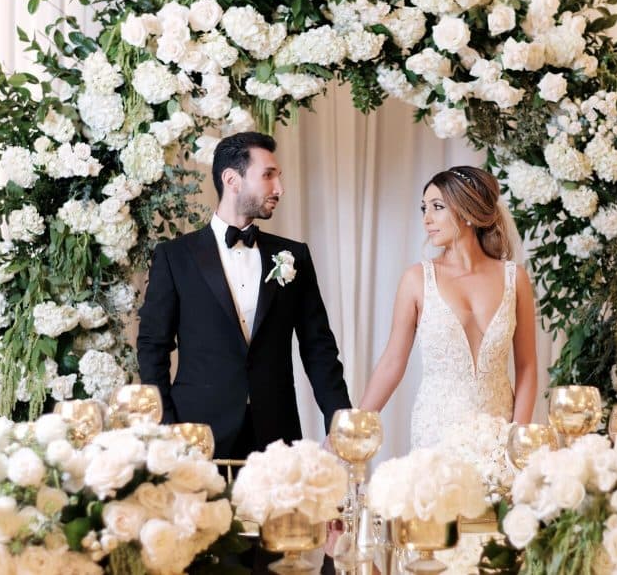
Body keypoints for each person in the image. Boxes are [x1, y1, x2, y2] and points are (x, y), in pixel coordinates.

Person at [136, 131, 352, 460]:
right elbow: (153, 347)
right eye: (268, 175)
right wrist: (165, 426)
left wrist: (340, 424)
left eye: (278, 176)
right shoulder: (175, 256)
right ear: (232, 179)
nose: (279, 188)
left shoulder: (294, 255)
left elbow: (318, 348)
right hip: (196, 436)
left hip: (276, 436)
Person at [358, 165, 537, 449]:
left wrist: (519, 436)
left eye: (437, 207)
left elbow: (527, 367)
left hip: (500, 433)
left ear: (467, 211)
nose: (426, 219)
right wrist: (355, 428)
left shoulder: (515, 279)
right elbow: (392, 362)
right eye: (423, 208)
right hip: (436, 434)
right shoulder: (417, 279)